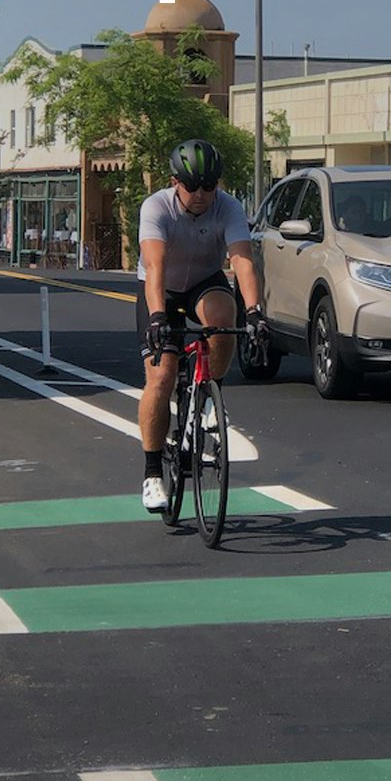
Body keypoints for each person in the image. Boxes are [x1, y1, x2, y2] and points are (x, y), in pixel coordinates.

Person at [136, 139, 268, 513]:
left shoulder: (228, 208)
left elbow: (242, 261)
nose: (200, 194)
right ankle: (152, 474)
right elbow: (155, 266)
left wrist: (256, 312)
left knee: (225, 320)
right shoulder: (156, 207)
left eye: (208, 186)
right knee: (161, 376)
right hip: (162, 288)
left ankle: (210, 394)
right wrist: (158, 317)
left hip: (203, 282)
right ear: (174, 182)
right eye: (191, 186)